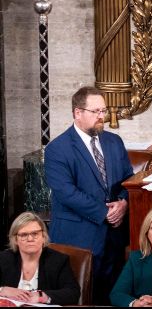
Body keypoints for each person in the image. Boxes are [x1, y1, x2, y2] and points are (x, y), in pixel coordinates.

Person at [44, 86, 135, 304]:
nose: (102, 117)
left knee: (112, 296)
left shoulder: (114, 142)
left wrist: (123, 203)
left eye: (103, 111)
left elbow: (128, 180)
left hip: (114, 237)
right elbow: (66, 193)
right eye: (96, 112)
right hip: (78, 236)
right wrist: (105, 213)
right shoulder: (57, 148)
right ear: (78, 113)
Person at [0, 212, 80, 305]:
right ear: (15, 239)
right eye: (23, 235)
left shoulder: (58, 260)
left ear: (43, 236)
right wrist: (2, 290)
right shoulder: (3, 258)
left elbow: (73, 293)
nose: (30, 239)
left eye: (35, 233)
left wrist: (42, 296)